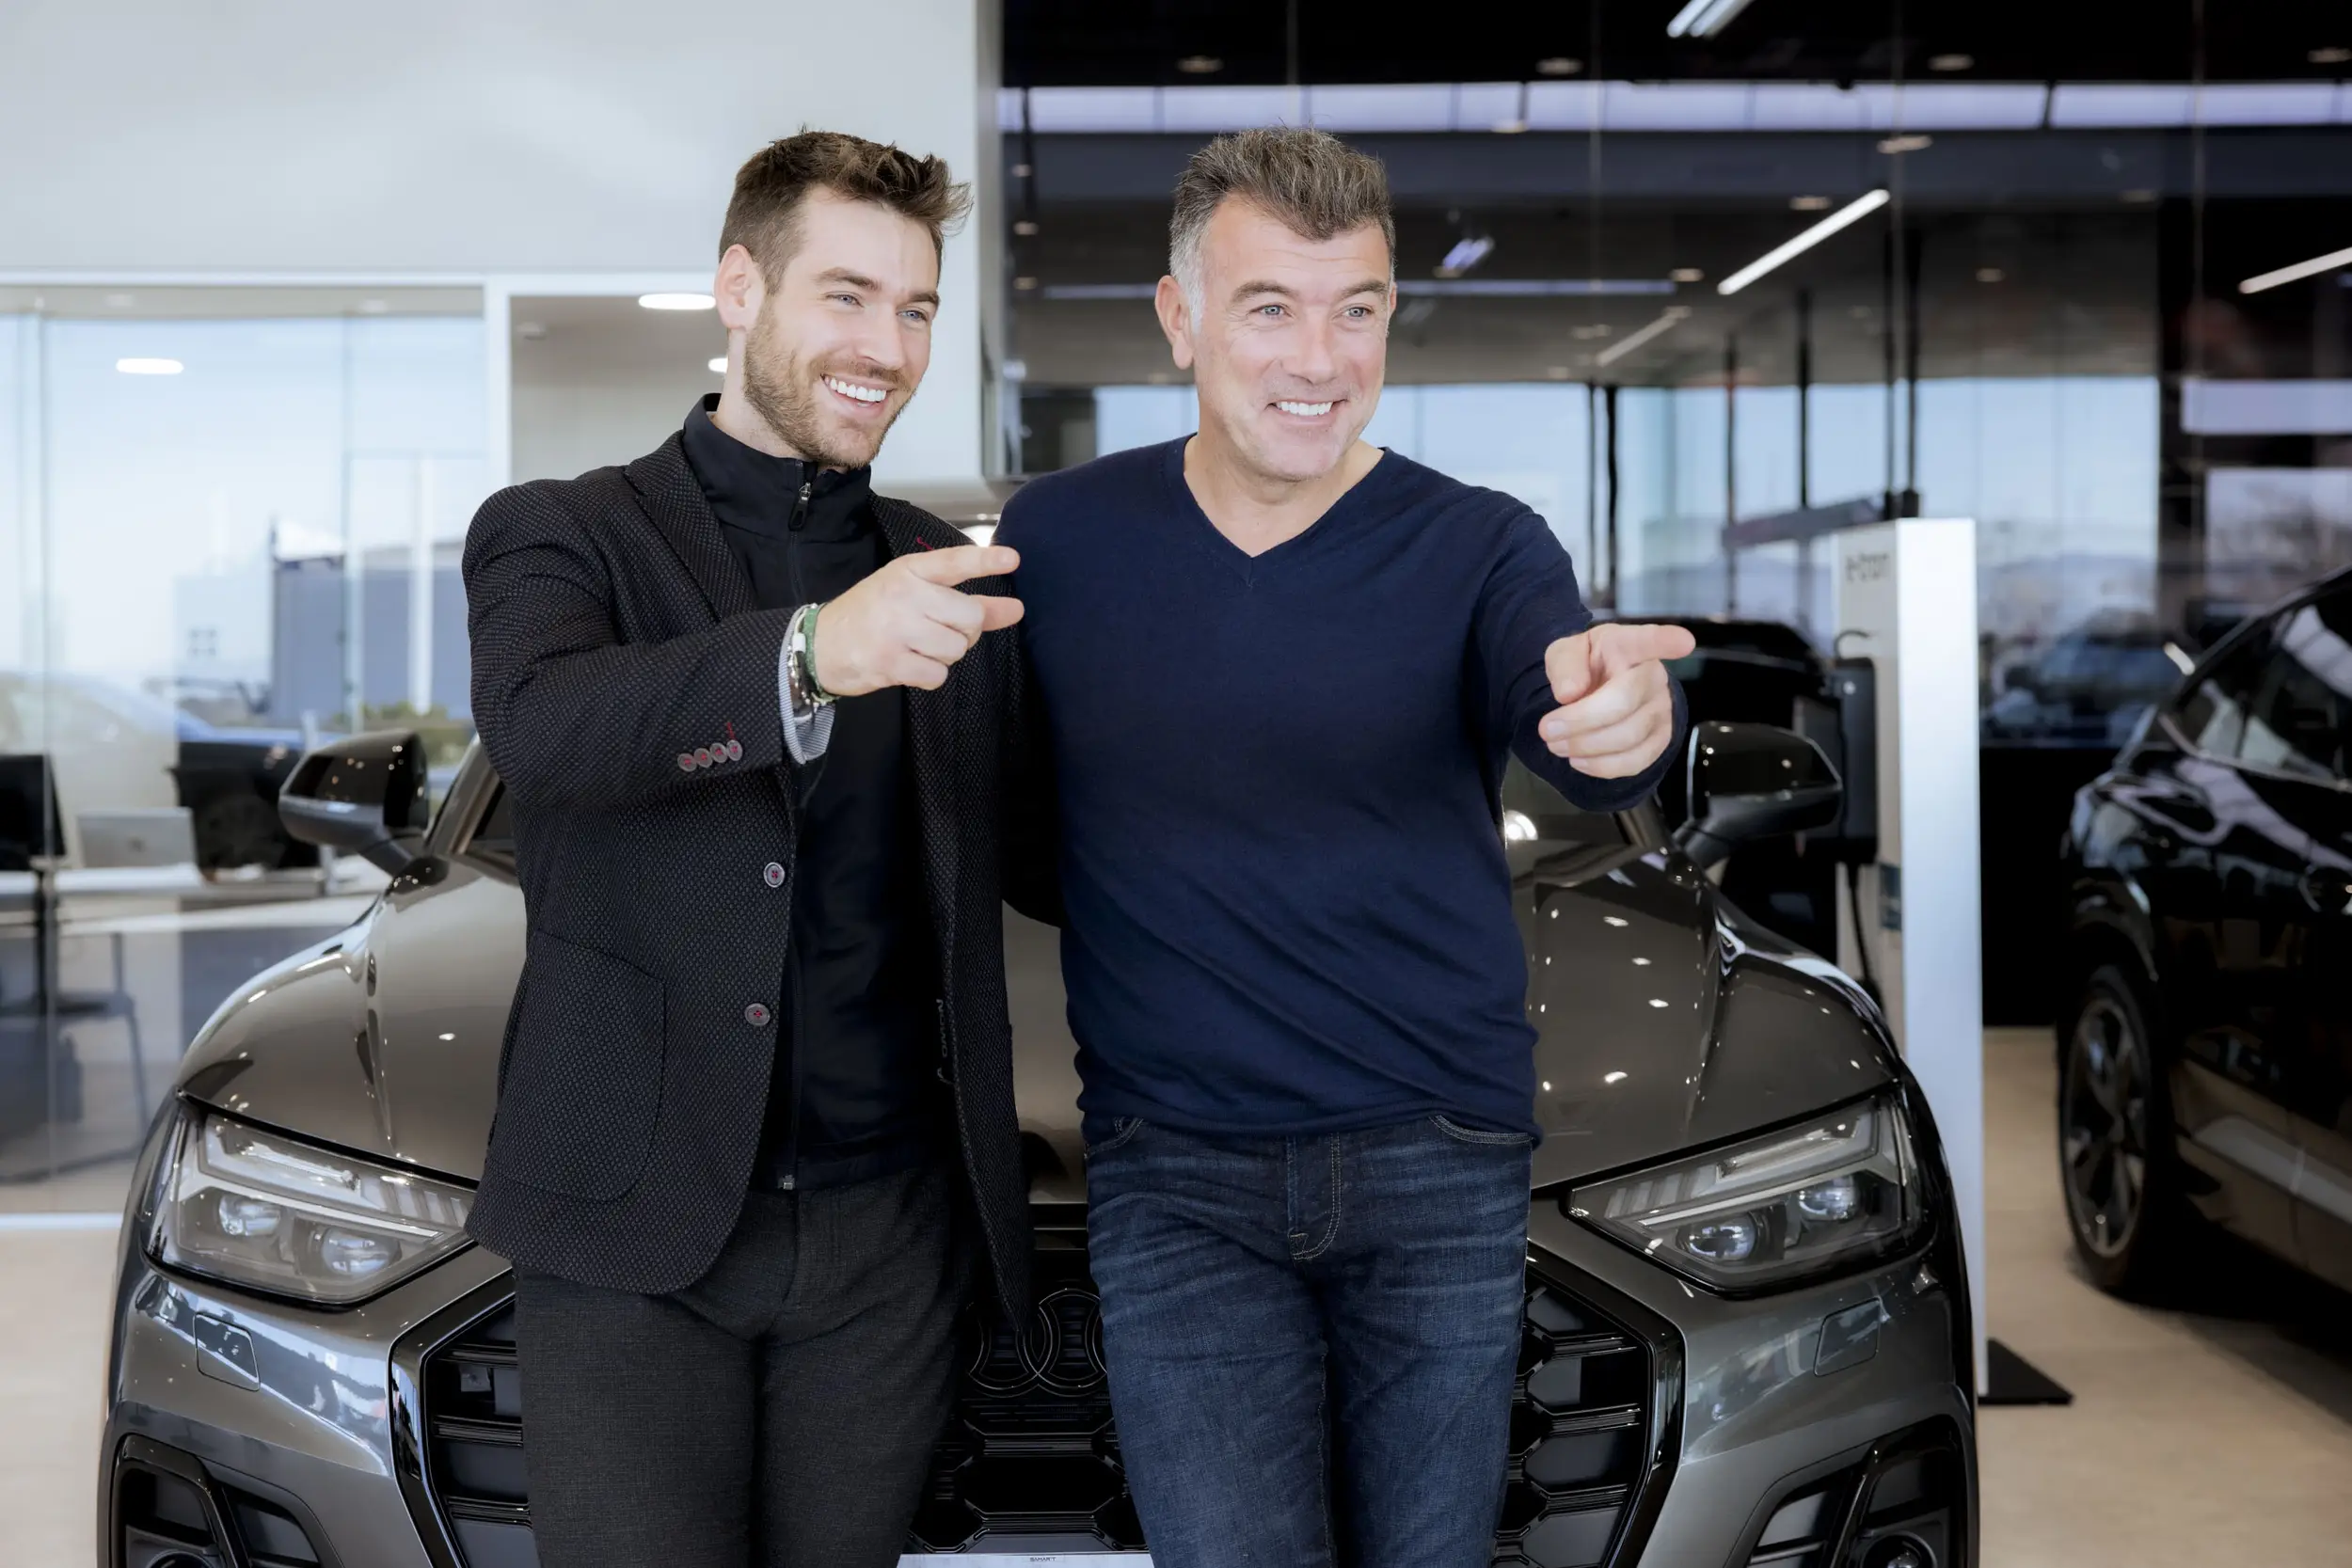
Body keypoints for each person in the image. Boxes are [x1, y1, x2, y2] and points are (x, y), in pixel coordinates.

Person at [994, 126, 1693, 1568]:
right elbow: (994, 814)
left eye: (1355, 309)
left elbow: (1575, 702)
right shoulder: (1057, 541)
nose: (1319, 358)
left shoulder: (1485, 547)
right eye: (1270, 307)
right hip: (1174, 1170)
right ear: (1181, 316)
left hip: (1436, 1155)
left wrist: (1621, 718)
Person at [462, 130, 1041, 1568]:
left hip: (890, 1246)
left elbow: (1045, 846)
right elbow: (551, 728)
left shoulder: (946, 569)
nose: (887, 348)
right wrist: (809, 654)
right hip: (637, 1238)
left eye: (916, 308)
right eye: (847, 295)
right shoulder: (562, 533)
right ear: (740, 289)